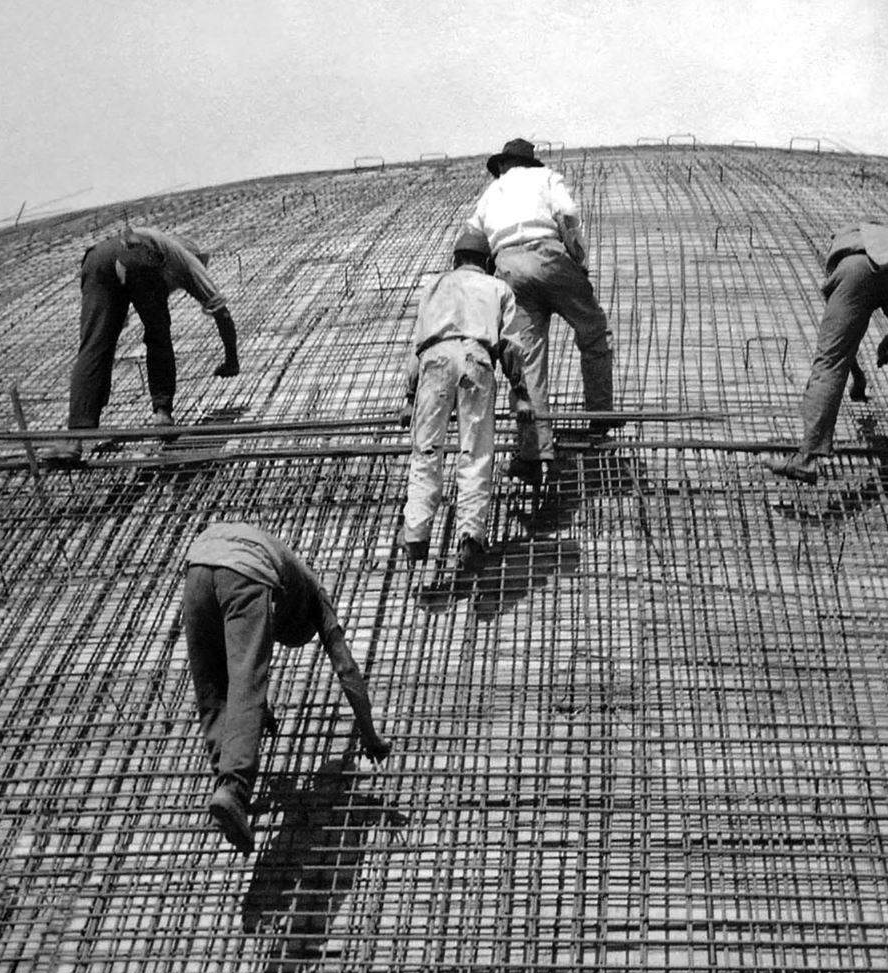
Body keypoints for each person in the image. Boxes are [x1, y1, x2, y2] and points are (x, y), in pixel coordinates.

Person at [181, 522, 390, 852]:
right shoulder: (315, 594)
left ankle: (226, 785)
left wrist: (259, 714)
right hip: (246, 572)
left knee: (211, 684)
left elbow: (229, 666)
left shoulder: (286, 574)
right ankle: (233, 789)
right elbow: (346, 668)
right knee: (247, 680)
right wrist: (370, 735)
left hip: (198, 564)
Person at [464, 138, 616, 489]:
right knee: (592, 328)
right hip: (547, 255)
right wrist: (579, 263)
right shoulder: (545, 176)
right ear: (528, 163)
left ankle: (534, 451)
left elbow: (472, 239)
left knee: (526, 358)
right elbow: (567, 215)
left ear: (502, 165)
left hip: (508, 267)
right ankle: (600, 415)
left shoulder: (490, 193)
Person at [42, 226, 238, 464]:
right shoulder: (188, 261)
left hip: (97, 258)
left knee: (93, 348)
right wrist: (231, 360)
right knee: (159, 337)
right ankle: (163, 415)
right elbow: (222, 313)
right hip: (135, 255)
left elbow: (116, 313)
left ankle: (73, 440)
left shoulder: (160, 250)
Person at [400, 230, 531, 575]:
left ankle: (416, 531)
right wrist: (520, 391)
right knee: (475, 452)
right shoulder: (498, 288)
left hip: (435, 359)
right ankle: (471, 534)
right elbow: (511, 346)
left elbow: (417, 346)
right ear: (486, 262)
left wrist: (410, 397)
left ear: (455, 260)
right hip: (476, 358)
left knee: (426, 449)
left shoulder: (433, 286)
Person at [768, 221, 888, 484]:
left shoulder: (843, 248)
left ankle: (807, 458)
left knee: (828, 363)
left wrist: (854, 373)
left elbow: (839, 349)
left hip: (855, 271)